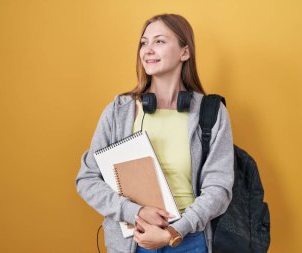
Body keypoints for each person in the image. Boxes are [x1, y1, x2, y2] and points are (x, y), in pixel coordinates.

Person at [75, 13, 234, 253]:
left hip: (187, 240)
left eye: (159, 41)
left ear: (185, 52)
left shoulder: (211, 112)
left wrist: (174, 231)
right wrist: (135, 211)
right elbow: (87, 180)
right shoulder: (119, 111)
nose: (148, 49)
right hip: (132, 243)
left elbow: (219, 187)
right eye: (143, 42)